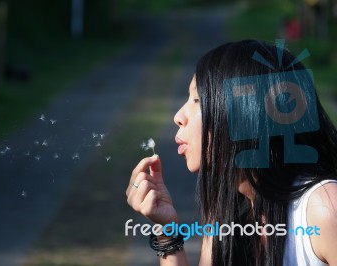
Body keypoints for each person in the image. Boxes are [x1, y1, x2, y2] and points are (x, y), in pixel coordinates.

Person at [126, 40, 337, 265]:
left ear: (248, 113)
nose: (178, 116)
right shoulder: (226, 214)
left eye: (197, 100)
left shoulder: (324, 209)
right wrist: (166, 230)